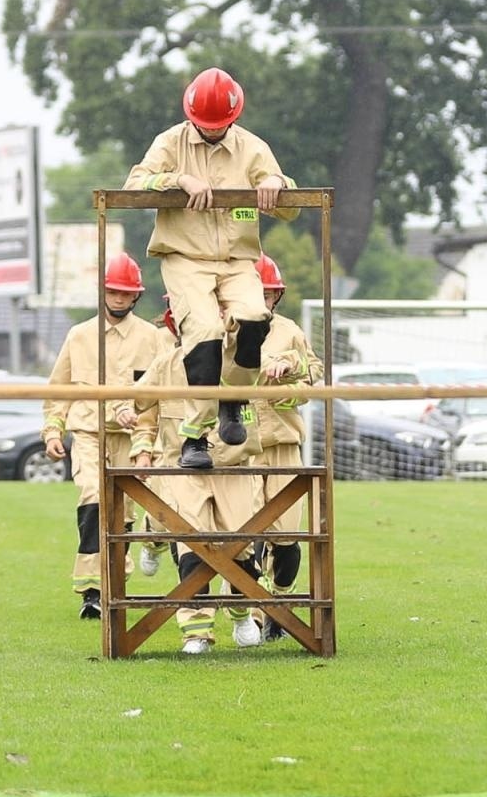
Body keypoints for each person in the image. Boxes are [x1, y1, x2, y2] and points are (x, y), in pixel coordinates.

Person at [124, 66, 298, 471]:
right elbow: (134, 186)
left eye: (221, 126)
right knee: (205, 331)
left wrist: (277, 182)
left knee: (255, 317)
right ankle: (194, 436)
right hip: (186, 257)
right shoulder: (169, 142)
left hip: (238, 259)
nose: (213, 132)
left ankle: (233, 401)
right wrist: (178, 179)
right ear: (190, 116)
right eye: (206, 125)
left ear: (234, 118)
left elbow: (290, 207)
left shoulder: (253, 148)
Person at [120, 319, 264, 655]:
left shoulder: (240, 364)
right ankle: (196, 632)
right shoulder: (167, 364)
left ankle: (242, 612)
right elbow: (134, 399)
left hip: (234, 468)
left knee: (240, 543)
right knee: (193, 543)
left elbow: (281, 378)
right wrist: (124, 409)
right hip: (183, 470)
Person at [42, 253, 173, 618]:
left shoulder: (152, 339)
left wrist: (148, 436)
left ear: (136, 297)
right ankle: (91, 589)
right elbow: (59, 387)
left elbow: (159, 395)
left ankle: (117, 578)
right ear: (103, 292)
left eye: (125, 293)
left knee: (125, 512)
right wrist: (54, 429)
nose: (118, 299)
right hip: (88, 432)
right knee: (93, 499)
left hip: (134, 437)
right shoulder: (79, 335)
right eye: (113, 291)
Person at [245, 253, 322, 639]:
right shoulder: (228, 331)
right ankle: (256, 615)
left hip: (283, 444)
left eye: (269, 293)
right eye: (256, 292)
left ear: (278, 296)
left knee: (288, 536)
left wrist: (288, 377)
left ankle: (281, 602)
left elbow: (313, 379)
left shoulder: (291, 332)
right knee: (246, 535)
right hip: (241, 448)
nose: (263, 299)